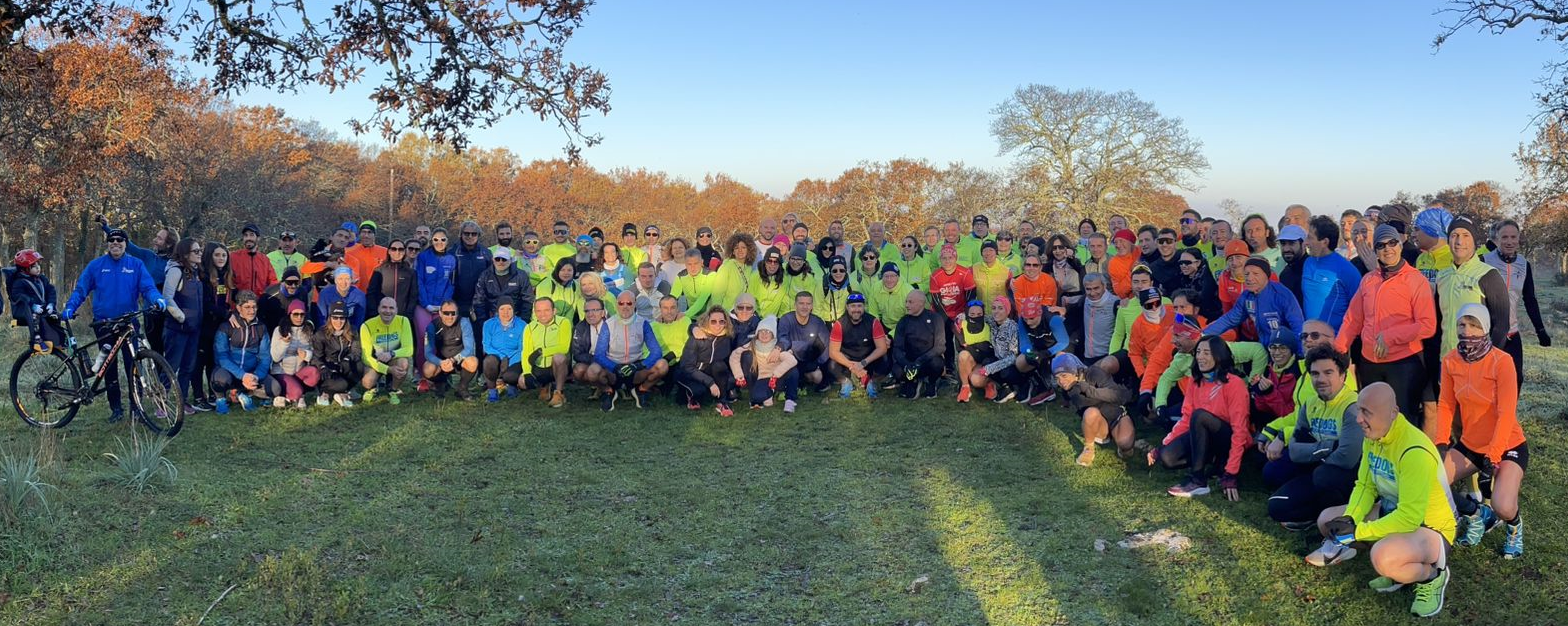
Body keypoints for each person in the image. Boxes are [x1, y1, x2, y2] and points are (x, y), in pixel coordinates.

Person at [1307, 383, 1456, 619]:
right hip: (1393, 512)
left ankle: (1432, 576)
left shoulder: (1413, 451)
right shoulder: (1375, 435)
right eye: (1359, 410)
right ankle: (1398, 564)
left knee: (1382, 557)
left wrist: (1357, 532)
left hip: (1431, 528)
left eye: (1367, 412)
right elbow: (1365, 485)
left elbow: (1409, 517)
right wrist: (1350, 518)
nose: (1359, 419)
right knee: (1327, 521)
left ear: (1393, 413)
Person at [1434, 304, 1527, 559]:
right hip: (1471, 444)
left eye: (1474, 325)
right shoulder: (1451, 360)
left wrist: (1493, 458)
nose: (1467, 331)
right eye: (1462, 325)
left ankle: (1514, 527)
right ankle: (1476, 515)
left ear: (1485, 328)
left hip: (1508, 446)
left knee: (1502, 505)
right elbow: (1445, 404)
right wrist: (1441, 442)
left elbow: (1506, 413)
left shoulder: (1502, 361)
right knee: (1433, 481)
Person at [1336, 225, 1437, 430]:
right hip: (1370, 361)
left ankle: (1406, 460)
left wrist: (1390, 336)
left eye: (1392, 243)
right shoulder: (1368, 280)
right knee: (1372, 416)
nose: (1387, 249)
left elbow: (1428, 325)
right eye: (1381, 245)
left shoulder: (1415, 280)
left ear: (1400, 245)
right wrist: (1338, 349)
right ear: (1375, 251)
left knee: (1402, 419)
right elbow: (1353, 319)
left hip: (1403, 362)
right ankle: (1376, 458)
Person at [62, 228, 168, 423]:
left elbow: (148, 287)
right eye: (111, 240)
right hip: (104, 324)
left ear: (126, 243)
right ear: (108, 243)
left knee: (133, 365)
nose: (115, 243)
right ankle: (116, 409)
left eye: (120, 240)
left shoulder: (136, 264)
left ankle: (136, 408)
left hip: (129, 323)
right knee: (108, 367)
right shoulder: (96, 266)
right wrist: (70, 307)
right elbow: (81, 289)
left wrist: (157, 299)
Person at [1261, 346, 1362, 530]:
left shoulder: (1353, 406)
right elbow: (1294, 451)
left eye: (1328, 372)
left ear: (1343, 375)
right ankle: (1316, 515)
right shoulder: (1310, 404)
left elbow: (1347, 459)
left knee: (1324, 476)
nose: (1321, 379)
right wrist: (1331, 446)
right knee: (1276, 503)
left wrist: (1313, 451)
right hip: (1318, 466)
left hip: (1349, 476)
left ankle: (1344, 515)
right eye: (1315, 374)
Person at [1150, 336, 1251, 500]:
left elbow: (1240, 430)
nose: (1200, 357)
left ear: (1219, 355)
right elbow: (1186, 417)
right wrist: (1163, 445)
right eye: (1198, 352)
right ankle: (1212, 461)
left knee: (1200, 416)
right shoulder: (1195, 381)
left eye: (1206, 352)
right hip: (1204, 437)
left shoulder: (1235, 383)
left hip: (1229, 437)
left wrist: (1231, 473)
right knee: (1167, 458)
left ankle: (1198, 480)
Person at [1480, 219, 1551, 388]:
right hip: (1487, 334)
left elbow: (1530, 299)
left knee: (1516, 380)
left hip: (1512, 333)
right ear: (1496, 239)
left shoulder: (1523, 264)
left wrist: (1540, 330)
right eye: (1504, 237)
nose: (1509, 241)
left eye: (1513, 237)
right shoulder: (1483, 261)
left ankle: (1507, 415)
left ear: (1519, 238)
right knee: (1488, 381)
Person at [151, 240, 204, 414]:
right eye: (195, 251)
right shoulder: (175, 271)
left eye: (199, 250)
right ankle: (161, 402)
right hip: (176, 329)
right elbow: (167, 296)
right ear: (185, 254)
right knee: (170, 366)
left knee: (188, 367)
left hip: (193, 328)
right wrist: (181, 317)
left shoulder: (196, 272)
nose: (199, 253)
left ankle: (182, 402)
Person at [1055, 352, 1134, 466]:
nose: (1061, 382)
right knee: (1091, 413)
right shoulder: (1067, 387)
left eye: (1064, 376)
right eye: (1057, 378)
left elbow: (1118, 396)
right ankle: (1089, 448)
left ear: (1074, 370)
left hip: (1116, 416)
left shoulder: (1094, 373)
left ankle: (1127, 442)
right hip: (1097, 423)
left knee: (1126, 445)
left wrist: (1089, 390)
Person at [594, 291, 669, 411]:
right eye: (621, 303)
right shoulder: (608, 324)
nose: (625, 306)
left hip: (635, 369)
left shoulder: (643, 323)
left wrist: (639, 365)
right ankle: (609, 392)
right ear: (616, 305)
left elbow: (656, 352)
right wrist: (614, 367)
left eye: (629, 303)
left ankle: (641, 390)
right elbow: (598, 354)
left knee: (663, 365)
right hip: (613, 370)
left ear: (634, 304)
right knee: (592, 371)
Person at [1203, 257, 1304, 343]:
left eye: (1255, 274)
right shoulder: (1247, 297)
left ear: (1266, 276)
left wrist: (1300, 353)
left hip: (1285, 349)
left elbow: (1297, 325)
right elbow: (1229, 319)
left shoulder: (1282, 295)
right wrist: (1203, 335)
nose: (1249, 278)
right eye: (1246, 274)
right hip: (1264, 346)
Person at [211, 290, 271, 413]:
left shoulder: (261, 327)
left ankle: (243, 393)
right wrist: (242, 375)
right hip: (230, 371)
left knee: (274, 388)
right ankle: (220, 399)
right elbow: (221, 356)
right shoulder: (226, 326)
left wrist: (256, 376)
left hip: (251, 372)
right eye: (247, 307)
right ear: (238, 308)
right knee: (219, 380)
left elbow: (265, 356)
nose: (252, 311)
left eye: (254, 307)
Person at [1300, 216, 1364, 333]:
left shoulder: (1346, 270)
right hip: (1309, 339)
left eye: (1310, 238)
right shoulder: (1308, 263)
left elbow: (1358, 309)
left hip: (1333, 342)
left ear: (1324, 242)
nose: (1305, 242)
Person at [730, 315, 800, 412]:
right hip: (762, 378)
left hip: (777, 378)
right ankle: (768, 392)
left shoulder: (777, 348)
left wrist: (776, 374)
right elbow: (734, 356)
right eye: (761, 331)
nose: (764, 334)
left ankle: (790, 400)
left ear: (773, 334)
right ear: (757, 333)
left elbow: (792, 360)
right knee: (757, 398)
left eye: (768, 331)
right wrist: (739, 375)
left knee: (793, 371)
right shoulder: (751, 344)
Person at [194, 241, 233, 412]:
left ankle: (212, 392)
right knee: (199, 362)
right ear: (210, 256)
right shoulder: (202, 276)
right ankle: (197, 396)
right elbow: (206, 303)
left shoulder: (225, 276)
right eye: (217, 255)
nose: (221, 258)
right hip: (203, 325)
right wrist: (225, 314)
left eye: (224, 255)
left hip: (219, 326)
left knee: (212, 360)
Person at [828, 293, 891, 399]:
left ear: (864, 307)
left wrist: (863, 363)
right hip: (848, 360)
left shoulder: (873, 322)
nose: (856, 310)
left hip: (868, 358)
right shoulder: (839, 324)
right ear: (847, 307)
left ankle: (873, 383)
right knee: (831, 365)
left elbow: (882, 348)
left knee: (886, 360)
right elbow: (833, 352)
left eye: (859, 306)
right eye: (853, 306)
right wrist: (852, 366)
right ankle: (846, 383)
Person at [678, 306, 738, 415]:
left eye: (721, 321)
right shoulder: (697, 336)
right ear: (707, 321)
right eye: (713, 321)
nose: (717, 325)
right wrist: (710, 383)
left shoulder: (727, 337)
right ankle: (689, 395)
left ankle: (722, 402)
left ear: (726, 323)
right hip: (690, 373)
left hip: (711, 371)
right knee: (699, 391)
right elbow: (687, 367)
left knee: (724, 372)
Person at [414, 228, 457, 373]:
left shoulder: (451, 259)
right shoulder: (423, 257)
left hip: (441, 307)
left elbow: (451, 284)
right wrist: (426, 304)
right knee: (424, 338)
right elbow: (419, 281)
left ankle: (440, 374)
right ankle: (421, 374)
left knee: (441, 339)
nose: (439, 242)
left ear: (447, 241)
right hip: (424, 306)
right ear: (432, 241)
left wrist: (443, 305)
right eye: (436, 239)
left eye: (443, 239)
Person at [891, 290, 947, 399]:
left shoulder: (935, 318)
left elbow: (940, 346)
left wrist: (920, 361)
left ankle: (931, 383)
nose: (907, 305)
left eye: (910, 302)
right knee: (896, 370)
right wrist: (906, 364)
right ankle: (910, 382)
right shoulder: (903, 321)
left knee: (937, 363)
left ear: (921, 303)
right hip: (910, 362)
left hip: (927, 361)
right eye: (906, 302)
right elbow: (897, 348)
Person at [359, 296, 413, 405]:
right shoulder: (367, 326)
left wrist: (392, 353)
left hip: (394, 358)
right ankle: (373, 388)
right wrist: (388, 369)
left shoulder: (403, 321)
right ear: (378, 309)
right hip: (376, 362)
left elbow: (409, 349)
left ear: (396, 310)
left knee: (403, 363)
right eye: (384, 307)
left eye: (391, 308)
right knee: (367, 382)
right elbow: (366, 358)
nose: (388, 311)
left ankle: (392, 389)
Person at [521, 298, 574, 408]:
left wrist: (541, 351)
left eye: (546, 310)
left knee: (559, 358)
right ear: (534, 312)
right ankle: (545, 386)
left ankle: (559, 392)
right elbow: (526, 352)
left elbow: (564, 347)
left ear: (554, 311)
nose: (542, 314)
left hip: (556, 365)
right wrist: (526, 372)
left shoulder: (563, 322)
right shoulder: (529, 327)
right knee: (522, 381)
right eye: (538, 311)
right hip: (539, 366)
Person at [421, 299, 479, 400]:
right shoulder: (432, 326)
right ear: (440, 313)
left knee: (473, 361)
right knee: (427, 369)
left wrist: (453, 360)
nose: (450, 317)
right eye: (446, 313)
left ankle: (462, 388)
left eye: (453, 313)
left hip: (459, 360)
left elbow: (469, 348)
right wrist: (440, 362)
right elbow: (428, 353)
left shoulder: (464, 322)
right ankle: (440, 384)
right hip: (442, 362)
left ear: (457, 313)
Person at [8, 249, 62, 354]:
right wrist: (32, 305)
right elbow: (18, 296)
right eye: (34, 266)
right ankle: (37, 340)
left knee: (55, 316)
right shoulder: (19, 282)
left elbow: (51, 290)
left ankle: (58, 340)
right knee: (35, 316)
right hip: (24, 311)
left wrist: (51, 304)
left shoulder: (41, 279)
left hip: (42, 308)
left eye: (38, 265)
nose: (38, 268)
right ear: (25, 269)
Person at [268, 300, 319, 409]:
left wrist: (307, 355)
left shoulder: (308, 330)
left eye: (302, 314)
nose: (299, 317)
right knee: (296, 392)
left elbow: (314, 351)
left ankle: (300, 394)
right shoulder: (279, 330)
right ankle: (286, 394)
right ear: (289, 314)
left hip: (299, 371)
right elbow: (275, 357)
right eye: (295, 314)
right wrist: (285, 343)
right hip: (282, 371)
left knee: (314, 373)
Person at [777, 292, 831, 393]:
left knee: (817, 377)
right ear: (795, 305)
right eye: (801, 303)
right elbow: (782, 340)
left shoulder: (817, 322)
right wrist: (798, 347)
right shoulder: (786, 319)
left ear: (812, 306)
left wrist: (817, 364)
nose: (805, 307)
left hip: (808, 360)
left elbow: (826, 344)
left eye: (808, 304)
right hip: (790, 359)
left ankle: (804, 379)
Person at [311, 302, 362, 407]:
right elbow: (316, 357)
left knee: (360, 366)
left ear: (346, 319)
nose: (338, 322)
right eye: (335, 318)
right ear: (330, 318)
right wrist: (323, 367)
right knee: (341, 384)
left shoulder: (353, 330)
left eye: (342, 318)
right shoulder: (321, 334)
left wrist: (348, 359)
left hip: (343, 366)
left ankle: (344, 391)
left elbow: (356, 351)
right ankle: (324, 392)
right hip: (328, 369)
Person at [473, 247, 535, 325]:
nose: (500, 262)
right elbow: (479, 300)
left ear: (510, 260)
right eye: (497, 259)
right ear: (493, 260)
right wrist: (483, 323)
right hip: (492, 320)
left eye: (504, 259)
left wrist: (523, 322)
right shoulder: (485, 276)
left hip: (515, 320)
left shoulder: (521, 276)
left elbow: (528, 300)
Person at [482, 301, 527, 403]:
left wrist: (509, 361)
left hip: (515, 357)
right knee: (488, 362)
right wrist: (503, 357)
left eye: (509, 309)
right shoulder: (488, 324)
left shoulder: (522, 325)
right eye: (502, 309)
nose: (505, 312)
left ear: (514, 310)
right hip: (496, 356)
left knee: (510, 375)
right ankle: (492, 391)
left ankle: (512, 386)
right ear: (497, 310)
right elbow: (486, 345)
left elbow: (522, 348)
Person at [367, 238, 417, 324]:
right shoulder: (379, 270)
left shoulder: (411, 272)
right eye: (394, 249)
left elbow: (413, 296)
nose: (397, 252)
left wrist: (409, 315)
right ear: (389, 251)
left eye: (401, 249)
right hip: (381, 316)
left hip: (402, 317)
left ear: (404, 252)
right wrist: (374, 313)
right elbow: (371, 293)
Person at [953, 300, 994, 403]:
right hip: (971, 360)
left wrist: (970, 347)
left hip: (985, 361)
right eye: (972, 314)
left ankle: (990, 383)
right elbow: (960, 349)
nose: (976, 316)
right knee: (963, 355)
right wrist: (979, 346)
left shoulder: (989, 325)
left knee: (977, 381)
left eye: (979, 314)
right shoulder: (961, 326)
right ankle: (965, 387)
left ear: (984, 314)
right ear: (967, 314)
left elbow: (990, 350)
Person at [453, 221, 493, 321]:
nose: (470, 236)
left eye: (474, 234)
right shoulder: (453, 252)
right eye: (466, 233)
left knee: (479, 334)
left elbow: (492, 278)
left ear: (478, 235)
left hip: (480, 302)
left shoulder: (486, 253)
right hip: (459, 302)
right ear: (461, 234)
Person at [864, 263, 913, 336]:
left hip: (904, 327)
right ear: (881, 277)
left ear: (898, 277)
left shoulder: (908, 291)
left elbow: (909, 319)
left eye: (893, 276)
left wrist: (891, 336)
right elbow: (873, 314)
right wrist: (878, 333)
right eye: (886, 276)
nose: (889, 279)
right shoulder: (875, 288)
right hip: (883, 325)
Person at [231, 223, 279, 296]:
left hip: (259, 303)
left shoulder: (264, 260)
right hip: (239, 303)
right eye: (245, 235)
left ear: (258, 238)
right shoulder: (233, 257)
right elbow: (227, 278)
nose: (248, 238)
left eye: (251, 235)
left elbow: (273, 281)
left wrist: (266, 297)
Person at [1173, 248, 1221, 321]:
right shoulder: (1181, 277)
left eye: (1187, 262)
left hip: (1210, 317)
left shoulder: (1208, 276)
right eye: (1181, 263)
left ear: (1198, 262)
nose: (1183, 265)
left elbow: (1206, 299)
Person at [1080, 274, 1118, 362]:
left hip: (1107, 357)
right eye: (1088, 289)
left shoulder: (1115, 303)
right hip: (1087, 357)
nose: (1092, 293)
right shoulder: (1084, 300)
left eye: (1096, 288)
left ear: (1104, 286)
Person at [713, 233, 755, 311]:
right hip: (725, 312)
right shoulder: (727, 266)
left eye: (743, 247)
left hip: (741, 312)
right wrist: (717, 312)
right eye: (736, 248)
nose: (740, 250)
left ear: (749, 250)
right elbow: (717, 293)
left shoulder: (749, 268)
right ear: (732, 251)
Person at [343, 221, 387, 292]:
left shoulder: (385, 252)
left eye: (369, 232)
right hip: (357, 295)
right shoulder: (350, 254)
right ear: (359, 234)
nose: (366, 235)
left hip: (379, 295)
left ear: (374, 235)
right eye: (363, 232)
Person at [671, 249, 714, 321]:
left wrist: (685, 314)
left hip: (709, 316)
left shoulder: (710, 275)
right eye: (689, 264)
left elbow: (702, 299)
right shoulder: (681, 276)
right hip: (690, 316)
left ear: (701, 262)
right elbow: (672, 297)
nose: (693, 267)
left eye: (696, 263)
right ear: (685, 264)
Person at [650, 296, 691, 372]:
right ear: (660, 310)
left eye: (672, 307)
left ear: (677, 309)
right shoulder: (653, 326)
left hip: (680, 362)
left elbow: (689, 346)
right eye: (665, 308)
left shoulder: (685, 321)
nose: (669, 311)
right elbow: (647, 350)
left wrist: (674, 356)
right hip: (659, 363)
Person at [537, 257, 585, 322]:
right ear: (557, 270)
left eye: (569, 270)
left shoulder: (576, 286)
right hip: (546, 323)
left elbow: (574, 309)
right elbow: (539, 308)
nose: (566, 273)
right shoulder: (546, 284)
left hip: (566, 324)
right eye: (562, 270)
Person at [971, 240, 1013, 308]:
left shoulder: (1007, 272)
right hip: (981, 313)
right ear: (981, 253)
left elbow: (1012, 296)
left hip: (999, 314)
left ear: (996, 253)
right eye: (985, 250)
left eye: (991, 250)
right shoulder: (973, 270)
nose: (988, 253)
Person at [750, 248, 791, 316]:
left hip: (771, 319)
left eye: (776, 261)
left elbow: (784, 303)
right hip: (754, 316)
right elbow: (750, 297)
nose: (772, 264)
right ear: (765, 262)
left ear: (780, 264)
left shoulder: (784, 280)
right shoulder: (755, 276)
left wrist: (780, 318)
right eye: (769, 261)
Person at [1146, 228, 1184, 296]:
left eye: (1169, 241)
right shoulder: (1153, 268)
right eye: (1161, 241)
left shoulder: (1186, 258)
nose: (1164, 244)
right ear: (1157, 243)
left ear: (1175, 243)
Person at [1277, 224, 1307, 303]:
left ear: (1303, 244)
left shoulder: (1313, 269)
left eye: (1291, 243)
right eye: (1283, 244)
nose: (1286, 249)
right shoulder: (1284, 274)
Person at [1107, 229, 1139, 299]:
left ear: (1131, 242)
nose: (1118, 245)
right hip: (1130, 301)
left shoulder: (1141, 252)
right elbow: (1120, 292)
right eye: (1115, 242)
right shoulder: (1114, 263)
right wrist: (1131, 272)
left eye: (1121, 241)